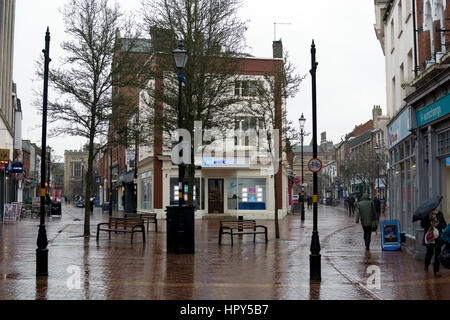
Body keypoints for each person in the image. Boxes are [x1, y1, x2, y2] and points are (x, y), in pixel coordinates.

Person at [421, 207, 447, 277]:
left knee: (437, 253)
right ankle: (426, 264)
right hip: (430, 237)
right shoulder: (426, 214)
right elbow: (422, 225)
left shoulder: (440, 214)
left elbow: (444, 225)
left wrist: (437, 224)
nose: (435, 208)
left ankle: (436, 270)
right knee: (430, 252)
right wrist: (430, 223)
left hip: (438, 237)